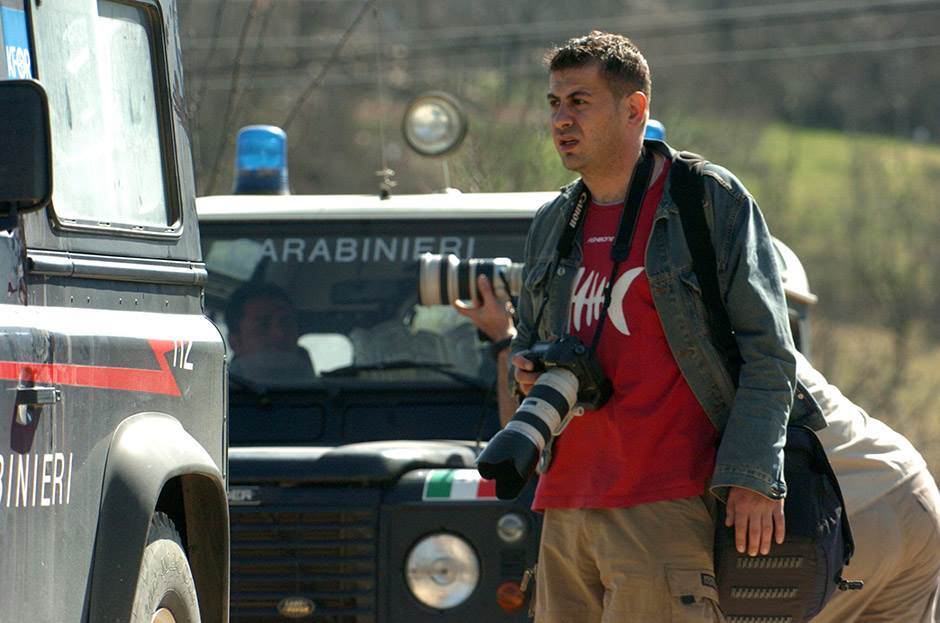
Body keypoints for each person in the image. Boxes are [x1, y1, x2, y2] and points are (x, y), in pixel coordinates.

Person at [459, 228, 940, 623]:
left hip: (829, 520)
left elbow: (539, 451)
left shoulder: (651, 346)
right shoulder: (737, 328)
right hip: (907, 492)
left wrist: (511, 342)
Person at [502, 31, 810, 621]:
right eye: (554, 103)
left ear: (634, 109)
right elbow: (528, 343)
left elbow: (771, 351)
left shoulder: (705, 200)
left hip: (664, 503)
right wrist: (526, 369)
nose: (561, 119)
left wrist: (751, 477)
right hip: (564, 508)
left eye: (580, 102)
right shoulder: (551, 221)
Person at [224, 281, 316, 383]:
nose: (280, 334)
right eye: (263, 326)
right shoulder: (216, 396)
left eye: (286, 324)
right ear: (235, 342)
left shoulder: (323, 395)